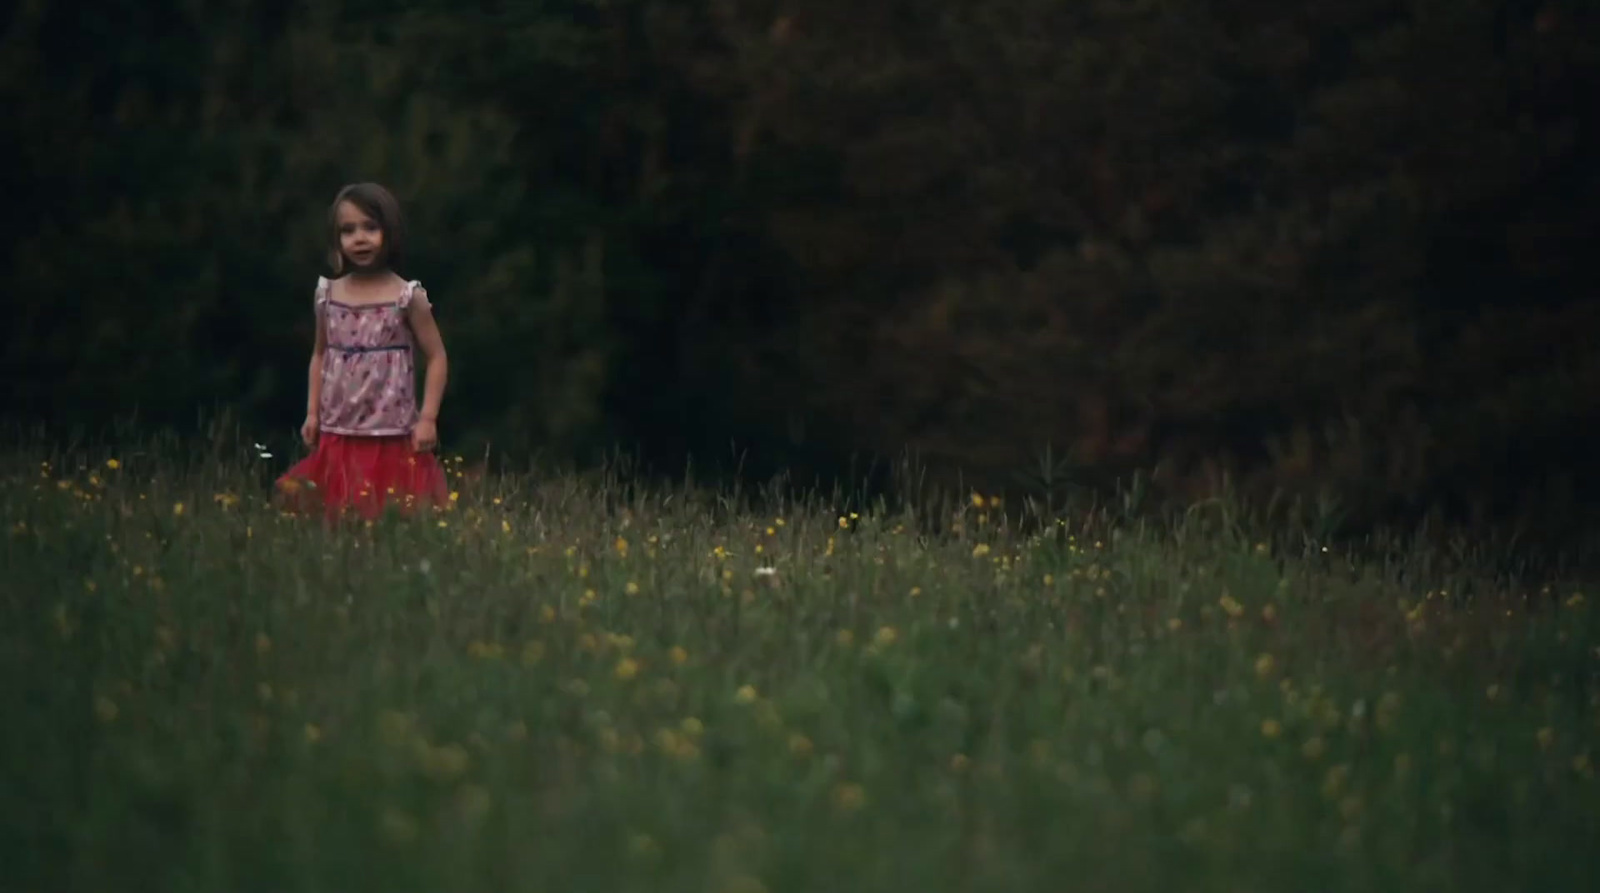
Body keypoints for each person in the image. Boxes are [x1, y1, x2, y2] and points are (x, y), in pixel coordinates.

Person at [276, 183, 450, 519]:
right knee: (337, 515)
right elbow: (319, 354)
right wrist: (312, 413)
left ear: (390, 232)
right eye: (348, 230)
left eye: (370, 227)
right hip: (338, 430)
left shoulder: (406, 296)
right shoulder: (328, 294)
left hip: (392, 431)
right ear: (336, 240)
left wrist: (427, 418)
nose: (359, 238)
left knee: (389, 516)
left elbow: (438, 356)